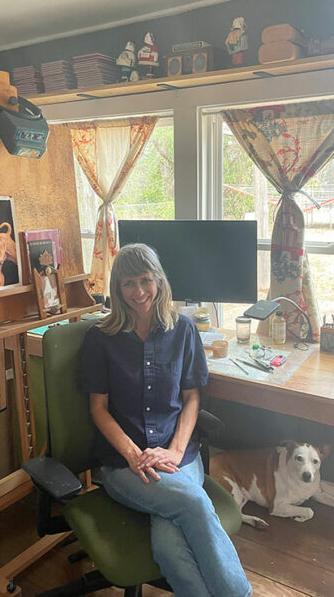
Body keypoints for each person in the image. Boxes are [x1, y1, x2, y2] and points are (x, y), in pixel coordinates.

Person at [80, 243, 252, 597]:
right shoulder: (100, 339)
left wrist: (174, 451)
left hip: (180, 457)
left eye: (146, 280)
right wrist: (132, 453)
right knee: (192, 503)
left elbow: (191, 398)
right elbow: (98, 408)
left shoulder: (184, 330)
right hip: (124, 463)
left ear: (159, 280)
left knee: (170, 548)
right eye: (128, 283)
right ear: (117, 288)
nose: (139, 291)